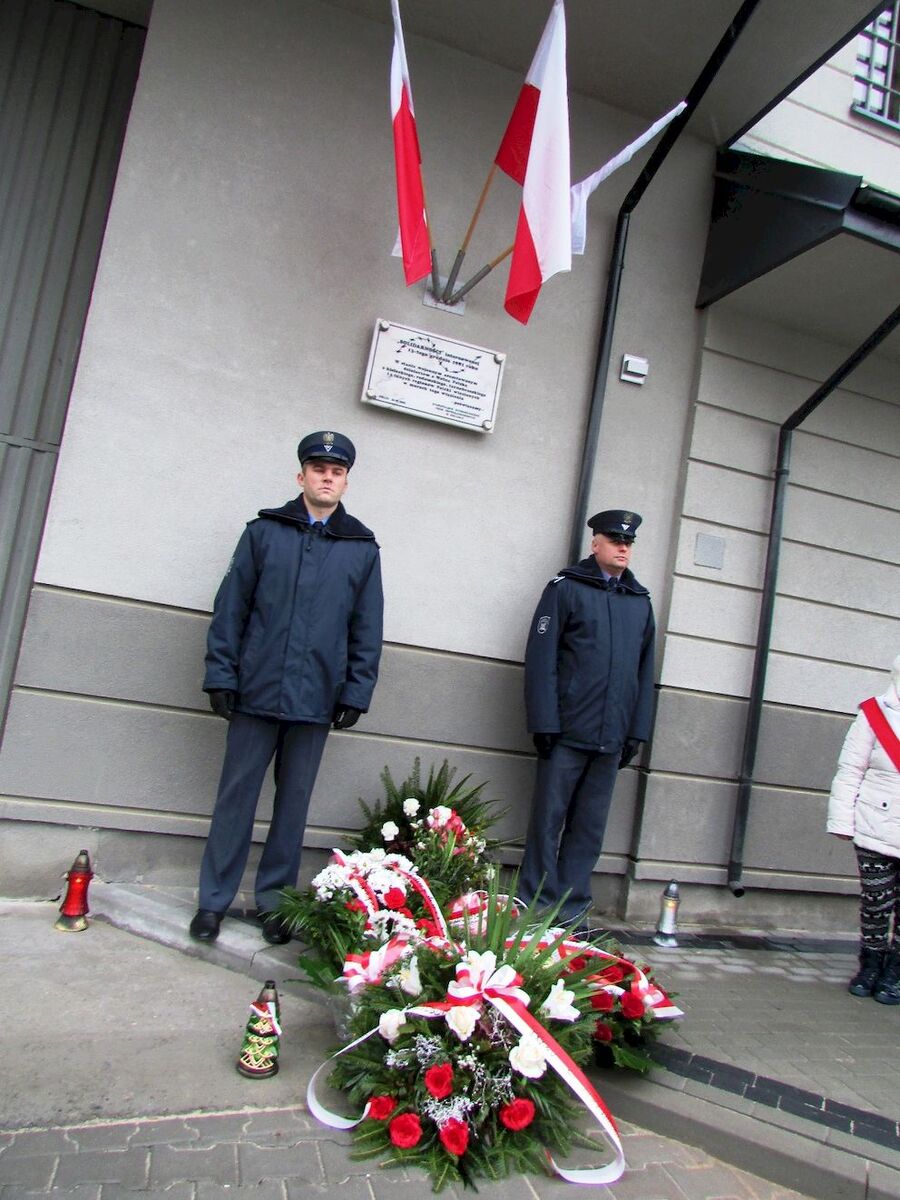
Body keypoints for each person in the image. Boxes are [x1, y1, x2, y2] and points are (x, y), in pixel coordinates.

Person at [190, 431, 384, 945]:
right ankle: (213, 902)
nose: (327, 478)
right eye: (318, 469)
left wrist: (355, 692)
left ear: (346, 482)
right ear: (301, 476)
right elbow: (231, 609)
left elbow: (367, 627)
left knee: (292, 808)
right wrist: (221, 674)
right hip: (255, 690)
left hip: (316, 697)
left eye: (337, 472)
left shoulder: (361, 549)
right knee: (235, 801)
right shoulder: (264, 533)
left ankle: (275, 904)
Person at [518, 509, 655, 927]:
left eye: (628, 542)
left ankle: (572, 909)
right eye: (615, 540)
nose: (623, 548)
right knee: (548, 821)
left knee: (589, 828)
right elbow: (541, 659)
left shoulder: (639, 602)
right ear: (595, 544)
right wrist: (544, 722)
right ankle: (537, 902)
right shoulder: (566, 589)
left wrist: (636, 732)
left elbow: (645, 672)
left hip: (611, 736)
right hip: (567, 731)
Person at [826, 652, 900, 1004]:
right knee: (875, 903)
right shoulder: (874, 714)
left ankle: (895, 971)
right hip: (874, 827)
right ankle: (870, 965)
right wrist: (842, 821)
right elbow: (850, 770)